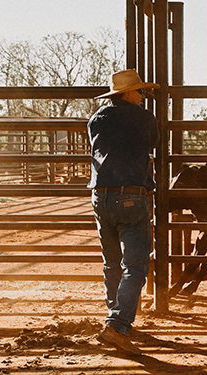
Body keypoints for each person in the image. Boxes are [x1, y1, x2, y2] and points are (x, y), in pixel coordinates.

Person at [87, 69, 159, 355]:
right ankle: (117, 325)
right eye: (140, 91)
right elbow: (151, 144)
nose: (143, 96)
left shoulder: (96, 118)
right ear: (128, 94)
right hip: (131, 195)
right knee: (136, 265)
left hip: (100, 195)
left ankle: (116, 317)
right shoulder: (144, 118)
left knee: (112, 262)